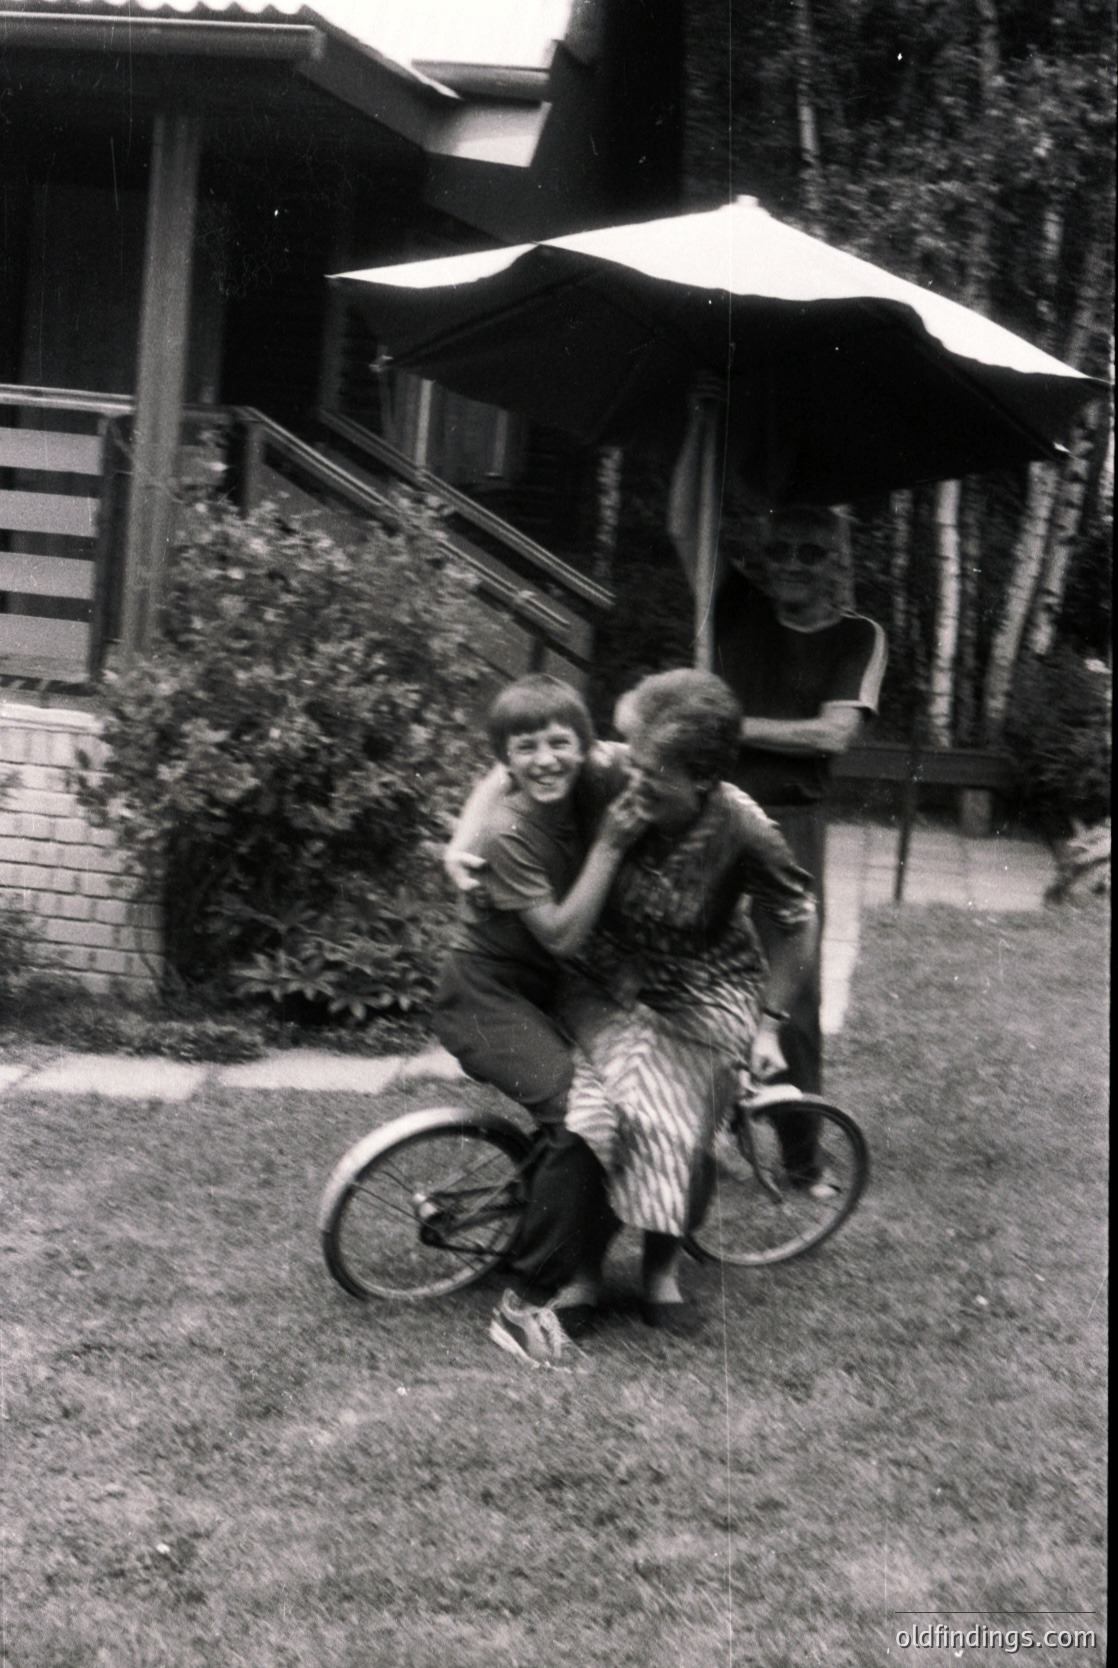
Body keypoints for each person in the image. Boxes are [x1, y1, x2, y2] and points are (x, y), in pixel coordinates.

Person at [555, 669, 818, 1327]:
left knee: (674, 1109)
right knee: (603, 1103)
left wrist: (769, 1026)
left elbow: (798, 920)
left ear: (702, 779)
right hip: (606, 978)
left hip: (707, 988)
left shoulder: (745, 828)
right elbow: (505, 780)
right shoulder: (605, 772)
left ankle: (659, 1271)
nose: (632, 777)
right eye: (632, 759)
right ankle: (584, 1276)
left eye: (653, 772)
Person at [668, 398, 886, 1181]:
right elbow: (686, 525)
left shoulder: (857, 636)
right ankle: (705, 1125)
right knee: (691, 966)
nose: (791, 563)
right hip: (713, 814)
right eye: (781, 550)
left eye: (809, 553)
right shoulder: (738, 610)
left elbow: (833, 735)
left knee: (787, 988)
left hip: (788, 826)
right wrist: (700, 417)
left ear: (834, 563)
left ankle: (799, 1154)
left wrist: (729, 727)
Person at [431, 674, 647, 1352]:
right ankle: (523, 1306)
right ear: (507, 757)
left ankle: (566, 1236)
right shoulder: (511, 833)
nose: (547, 760)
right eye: (527, 748)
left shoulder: (597, 770)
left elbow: (658, 769)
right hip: (485, 995)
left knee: (629, 1090)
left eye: (560, 743)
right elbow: (559, 934)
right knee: (583, 1117)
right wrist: (609, 846)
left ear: (585, 745)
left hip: (541, 988)